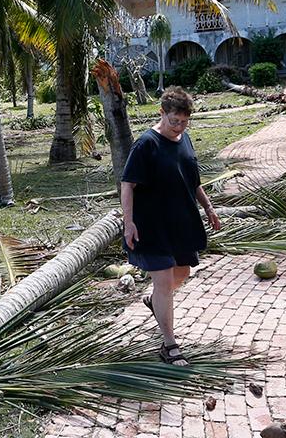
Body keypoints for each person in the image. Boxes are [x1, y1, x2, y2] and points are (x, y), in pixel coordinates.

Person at [120, 86, 222, 365]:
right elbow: (127, 185)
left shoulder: (185, 140)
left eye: (184, 122)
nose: (178, 127)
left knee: (183, 273)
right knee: (164, 282)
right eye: (173, 121)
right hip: (150, 225)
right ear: (161, 113)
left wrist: (209, 208)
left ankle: (155, 302)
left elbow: (193, 181)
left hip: (180, 222)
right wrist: (128, 223)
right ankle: (169, 345)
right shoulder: (146, 144)